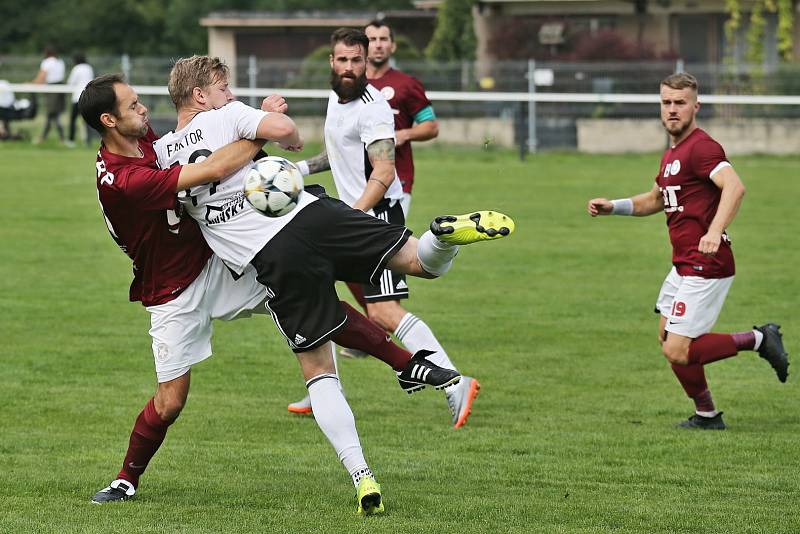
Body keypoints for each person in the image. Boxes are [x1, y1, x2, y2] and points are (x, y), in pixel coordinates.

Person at [154, 55, 513, 514]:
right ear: (201, 95)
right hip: (314, 214)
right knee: (420, 263)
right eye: (223, 87)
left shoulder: (164, 154)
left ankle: (362, 477)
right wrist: (271, 118)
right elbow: (288, 136)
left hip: (274, 257)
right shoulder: (229, 115)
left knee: (319, 371)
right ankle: (441, 237)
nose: (229, 93)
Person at [82, 74, 457, 511]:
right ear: (109, 121)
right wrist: (261, 127)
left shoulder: (146, 139)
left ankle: (408, 364)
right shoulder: (123, 181)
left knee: (308, 297)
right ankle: (126, 479)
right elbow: (216, 168)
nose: (143, 110)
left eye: (140, 101)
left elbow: (197, 157)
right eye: (132, 106)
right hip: (170, 291)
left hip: (217, 263)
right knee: (170, 402)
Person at [291, 28, 481, 429]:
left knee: (384, 310)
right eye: (342, 60)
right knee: (316, 290)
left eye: (355, 61)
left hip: (374, 216)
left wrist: (354, 217)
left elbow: (384, 169)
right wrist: (298, 170)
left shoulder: (373, 106)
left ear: (365, 63)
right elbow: (340, 152)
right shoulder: (335, 97)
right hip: (348, 216)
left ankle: (454, 382)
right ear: (331, 61)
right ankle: (322, 387)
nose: (348, 67)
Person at [587, 72, 789, 430]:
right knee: (668, 339)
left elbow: (735, 187)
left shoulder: (702, 148)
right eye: (666, 102)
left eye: (680, 103)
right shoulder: (672, 154)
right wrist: (612, 206)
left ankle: (760, 339)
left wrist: (714, 231)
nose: (672, 109)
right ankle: (708, 416)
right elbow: (654, 200)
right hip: (683, 265)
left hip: (706, 264)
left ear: (696, 106)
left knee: (678, 349)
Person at [365, 19, 439, 217]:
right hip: (356, 178)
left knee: (387, 243)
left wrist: (403, 134)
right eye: (372, 39)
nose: (378, 44)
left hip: (397, 178)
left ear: (393, 45)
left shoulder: (407, 84)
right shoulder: (350, 85)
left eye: (383, 39)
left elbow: (431, 127)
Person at [32, 45, 66, 144]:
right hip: (60, 88)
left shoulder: (47, 62)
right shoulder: (60, 62)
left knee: (52, 114)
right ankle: (55, 137)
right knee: (54, 115)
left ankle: (46, 137)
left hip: (52, 89)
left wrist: (31, 84)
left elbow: (41, 77)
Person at [66, 53, 94, 146]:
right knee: (87, 120)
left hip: (77, 97)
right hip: (88, 97)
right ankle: (88, 141)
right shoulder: (89, 68)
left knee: (73, 119)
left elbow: (71, 82)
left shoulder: (77, 68)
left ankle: (71, 140)